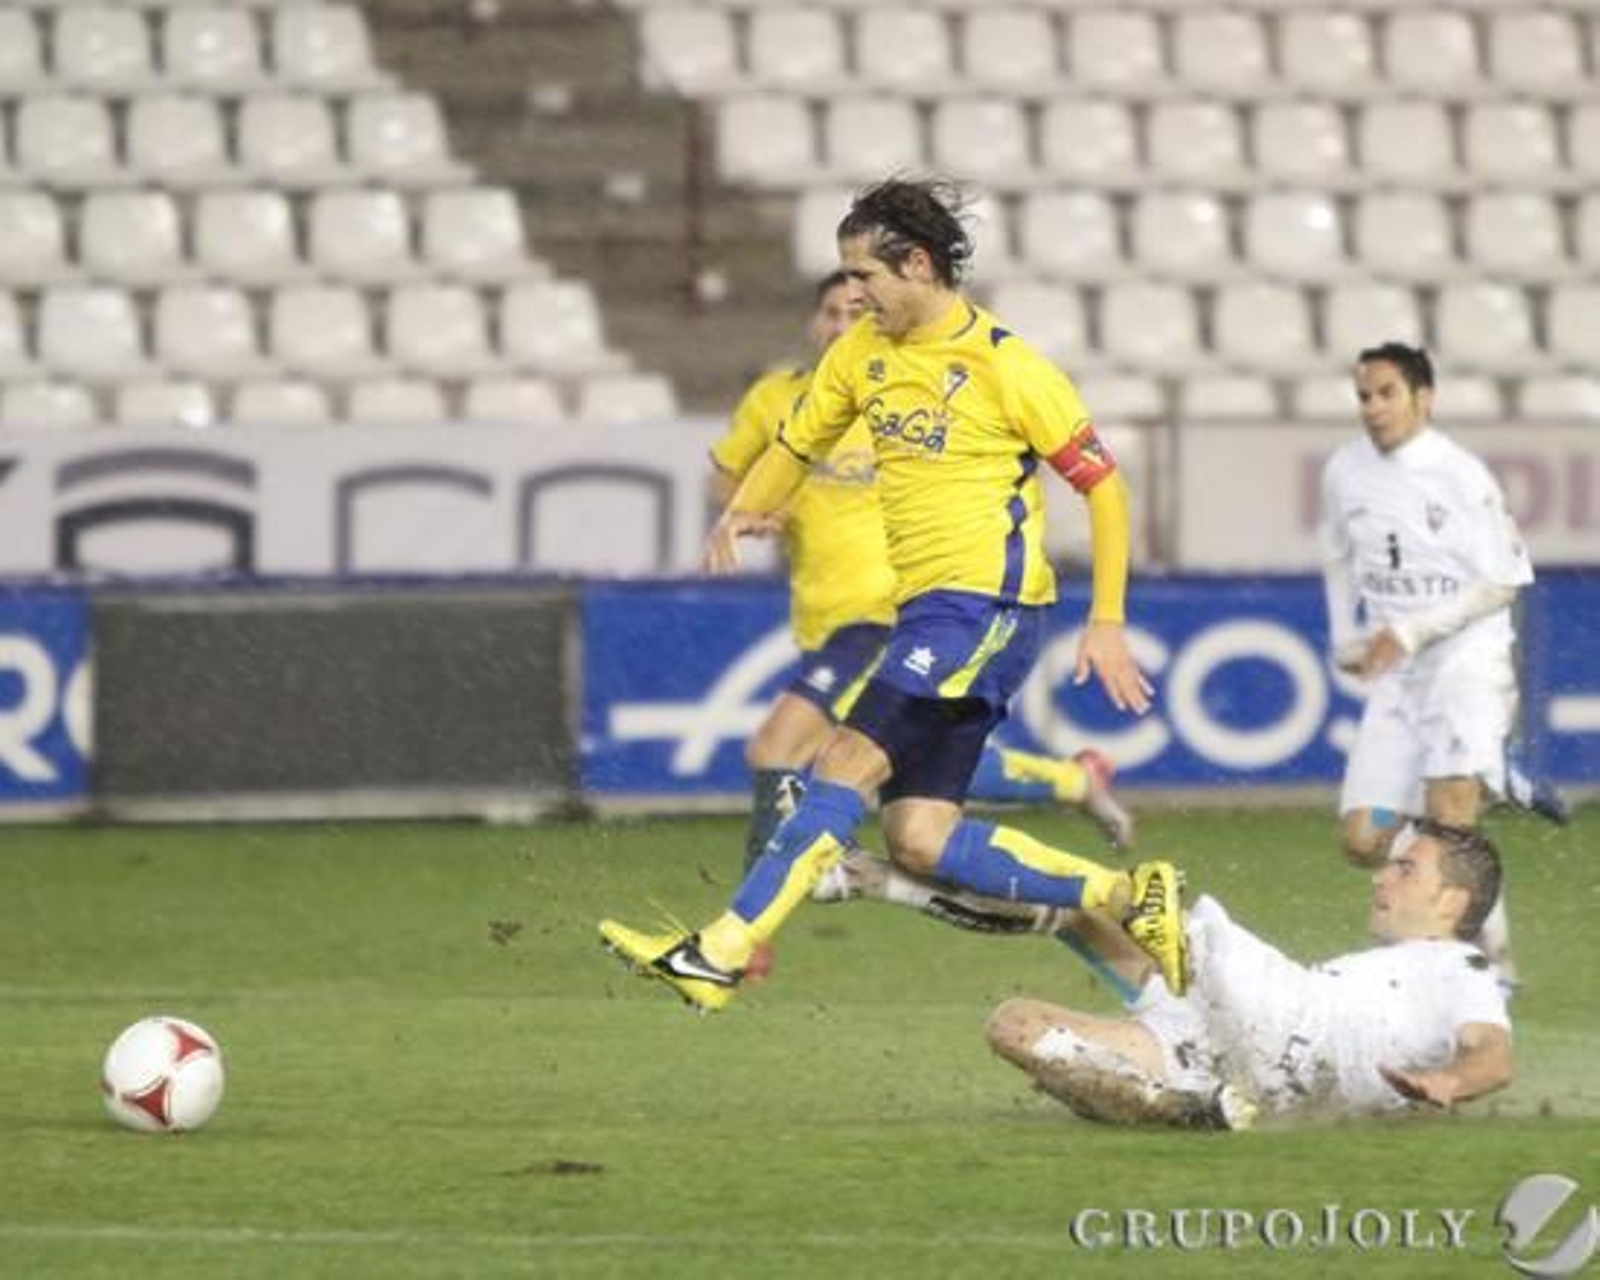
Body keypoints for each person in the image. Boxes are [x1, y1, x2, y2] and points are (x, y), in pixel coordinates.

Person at [600, 177, 1180, 1013]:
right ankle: (1130, 894)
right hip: (927, 612)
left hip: (986, 607)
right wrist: (748, 506)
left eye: (865, 277)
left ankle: (720, 950)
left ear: (917, 263)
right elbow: (798, 441)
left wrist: (1110, 619)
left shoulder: (1004, 365)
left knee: (837, 761)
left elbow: (1106, 489)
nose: (853, 295)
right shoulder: (860, 354)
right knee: (919, 837)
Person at [711, 272, 1134, 874]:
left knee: (777, 747)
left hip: (888, 611)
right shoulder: (781, 400)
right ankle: (1070, 782)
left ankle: (758, 912)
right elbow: (728, 472)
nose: (840, 325)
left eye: (853, 312)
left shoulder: (897, 397)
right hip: (821, 614)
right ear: (813, 322)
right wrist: (749, 507)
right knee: (884, 762)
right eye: (830, 313)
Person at [985, 820, 1513, 1129]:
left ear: (1451, 900)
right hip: (1227, 1057)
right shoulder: (1387, 968)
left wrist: (1449, 1082)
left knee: (1151, 904)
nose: (1381, 878)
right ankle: (1175, 1105)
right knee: (1016, 1026)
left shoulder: (1462, 967)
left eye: (1406, 869)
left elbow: (1493, 1054)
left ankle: (944, 865)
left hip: (1287, 1028)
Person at [1317, 342, 1564, 982]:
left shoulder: (1459, 476)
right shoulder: (1345, 470)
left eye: (1386, 394)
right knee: (1363, 841)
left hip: (1464, 661)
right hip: (1399, 675)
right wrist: (1347, 636)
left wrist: (1411, 628)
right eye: (1364, 396)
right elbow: (1337, 557)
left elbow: (1505, 580)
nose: (1373, 408)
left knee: (1450, 823)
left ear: (1424, 398)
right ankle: (1496, 774)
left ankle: (1485, 973)